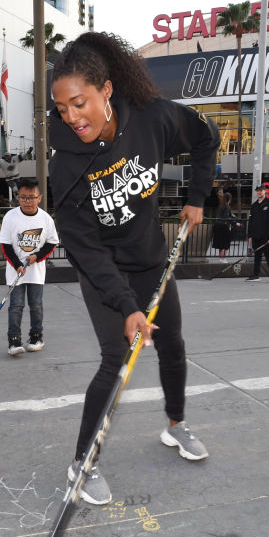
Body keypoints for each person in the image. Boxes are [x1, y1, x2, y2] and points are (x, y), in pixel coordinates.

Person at [50, 32, 218, 505]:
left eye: (79, 103)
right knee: (115, 359)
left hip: (148, 258)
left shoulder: (153, 119)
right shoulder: (67, 167)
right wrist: (126, 307)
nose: (71, 117)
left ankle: (176, 426)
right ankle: (83, 461)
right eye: (62, 108)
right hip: (104, 272)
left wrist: (196, 198)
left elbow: (207, 138)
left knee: (172, 342)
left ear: (105, 90)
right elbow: (84, 249)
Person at [0, 178, 59, 354]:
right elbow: (5, 244)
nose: (27, 201)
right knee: (16, 306)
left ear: (39, 198)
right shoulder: (11, 217)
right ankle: (14, 341)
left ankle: (36, 337)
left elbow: (52, 243)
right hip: (15, 271)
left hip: (36, 273)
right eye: (23, 197)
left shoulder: (45, 219)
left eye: (31, 197)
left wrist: (37, 256)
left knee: (36, 305)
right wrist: (17, 264)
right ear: (18, 197)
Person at [246, 185, 269, 282]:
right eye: (258, 191)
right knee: (257, 256)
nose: (259, 192)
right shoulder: (254, 205)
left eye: (261, 190)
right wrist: (250, 235)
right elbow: (251, 221)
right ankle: (256, 275)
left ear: (265, 191)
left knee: (268, 256)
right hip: (256, 235)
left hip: (266, 235)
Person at [211, 192, 235, 262]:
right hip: (224, 226)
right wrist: (234, 221)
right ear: (229, 199)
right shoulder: (227, 206)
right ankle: (223, 258)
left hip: (218, 226)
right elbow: (226, 217)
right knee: (226, 243)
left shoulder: (220, 205)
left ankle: (221, 258)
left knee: (221, 244)